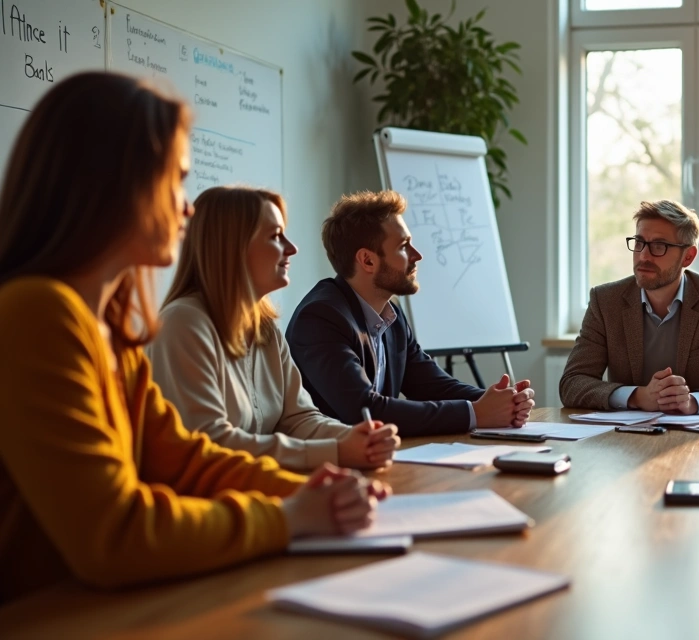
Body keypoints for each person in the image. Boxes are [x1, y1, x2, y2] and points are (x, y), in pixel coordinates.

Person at [0, 72, 387, 603]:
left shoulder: (113, 333)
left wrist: (314, 491)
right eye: (175, 180)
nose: (186, 208)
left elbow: (185, 461)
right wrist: (288, 517)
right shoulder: (37, 313)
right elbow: (114, 535)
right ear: (117, 184)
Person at [148, 186, 400, 472]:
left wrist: (357, 438)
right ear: (232, 247)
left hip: (259, 486)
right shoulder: (182, 323)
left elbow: (299, 418)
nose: (292, 248)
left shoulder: (265, 328)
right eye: (275, 236)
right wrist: (337, 451)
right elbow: (210, 442)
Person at [286, 190, 534, 436]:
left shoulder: (390, 314)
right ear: (368, 260)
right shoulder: (321, 317)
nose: (417, 255)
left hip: (377, 453)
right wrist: (476, 413)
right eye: (404, 247)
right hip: (328, 457)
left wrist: (502, 400)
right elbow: (363, 410)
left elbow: (430, 385)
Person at [559, 199, 699, 413]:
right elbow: (572, 383)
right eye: (639, 242)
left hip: (692, 431)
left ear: (688, 257)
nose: (643, 256)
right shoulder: (605, 301)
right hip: (625, 432)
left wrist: (693, 402)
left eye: (659, 246)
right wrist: (637, 397)